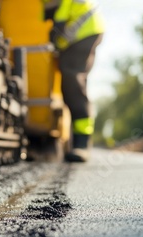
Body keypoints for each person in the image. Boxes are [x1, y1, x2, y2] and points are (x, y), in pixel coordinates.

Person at [43, 0, 104, 162]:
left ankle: (82, 145)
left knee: (73, 83)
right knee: (71, 84)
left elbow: (61, 18)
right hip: (86, 30)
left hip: (83, 33)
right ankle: (77, 142)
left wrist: (54, 35)